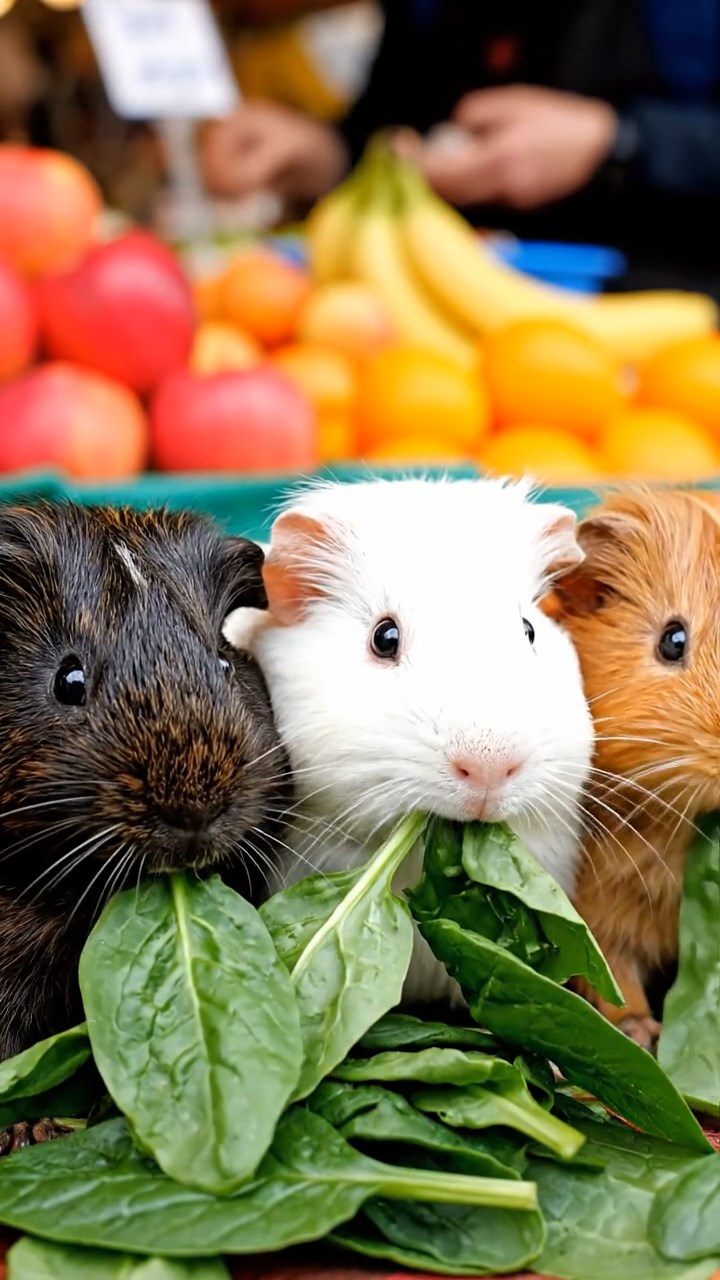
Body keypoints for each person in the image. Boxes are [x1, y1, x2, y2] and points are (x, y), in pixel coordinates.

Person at [200, 0, 720, 296]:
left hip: (673, 322)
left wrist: (621, 140)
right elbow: (393, 127)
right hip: (444, 327)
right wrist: (322, 153)